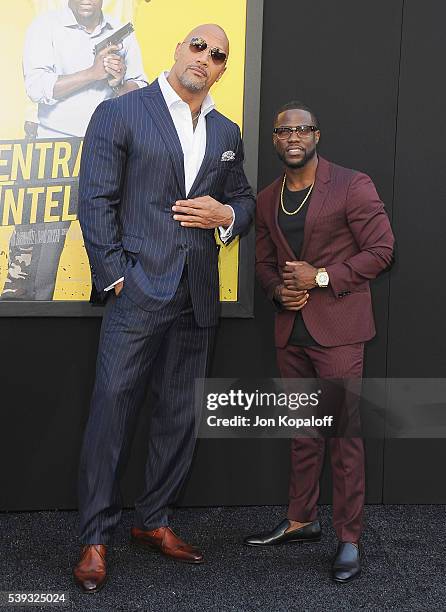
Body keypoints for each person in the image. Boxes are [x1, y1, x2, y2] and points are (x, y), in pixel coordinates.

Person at [74, 24, 255, 593]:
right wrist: (116, 276)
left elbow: (245, 199)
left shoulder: (227, 131)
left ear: (224, 70)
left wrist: (224, 216)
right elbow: (96, 198)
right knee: (113, 412)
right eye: (198, 46)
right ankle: (95, 537)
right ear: (178, 49)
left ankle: (153, 521)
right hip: (139, 290)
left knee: (179, 415)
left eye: (218, 55)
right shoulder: (122, 113)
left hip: (197, 293)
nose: (206, 57)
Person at [245, 101, 394, 583]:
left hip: (340, 334)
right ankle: (300, 520)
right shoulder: (268, 198)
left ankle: (349, 538)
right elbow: (264, 262)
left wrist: (322, 277)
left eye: (303, 129)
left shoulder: (352, 185)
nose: (293, 137)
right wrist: (277, 289)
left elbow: (382, 250)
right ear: (274, 139)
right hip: (292, 333)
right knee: (304, 434)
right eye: (284, 131)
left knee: (343, 439)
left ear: (317, 136)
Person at [1, 0, 147, 301]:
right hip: (55, 149)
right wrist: (93, 73)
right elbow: (37, 86)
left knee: (111, 240)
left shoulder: (122, 33)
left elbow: (140, 90)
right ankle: (30, 320)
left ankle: (109, 316)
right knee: (40, 249)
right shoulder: (46, 26)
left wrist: (119, 81)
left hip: (108, 151)